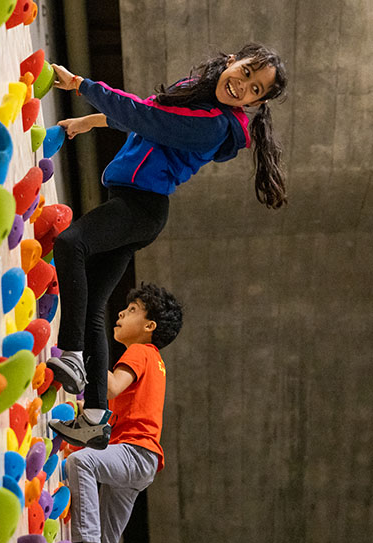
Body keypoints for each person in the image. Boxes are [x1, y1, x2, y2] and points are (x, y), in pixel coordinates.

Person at [45, 44, 287, 448]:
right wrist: (93, 121)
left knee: (72, 245)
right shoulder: (199, 95)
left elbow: (149, 118)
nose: (243, 87)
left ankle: (70, 353)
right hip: (133, 203)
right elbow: (147, 115)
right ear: (233, 62)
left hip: (141, 207)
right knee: (94, 306)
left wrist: (80, 85)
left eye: (255, 90)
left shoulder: (213, 125)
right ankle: (96, 418)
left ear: (256, 104)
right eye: (246, 74)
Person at [50, 282, 183, 543]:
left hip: (135, 454)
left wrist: (87, 347)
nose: (122, 314)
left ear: (149, 326)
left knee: (81, 462)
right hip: (141, 462)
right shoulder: (154, 359)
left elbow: (110, 388)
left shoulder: (141, 352)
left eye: (132, 310)